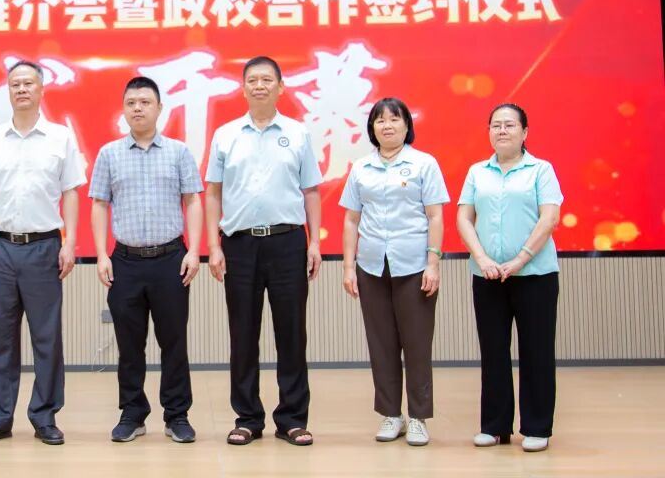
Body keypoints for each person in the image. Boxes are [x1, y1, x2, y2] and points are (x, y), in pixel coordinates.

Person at [205, 56, 322, 447]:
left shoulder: (298, 133)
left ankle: (292, 419)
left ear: (280, 87)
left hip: (287, 242)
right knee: (243, 333)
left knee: (292, 332)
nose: (259, 85)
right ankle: (247, 418)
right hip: (239, 244)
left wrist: (315, 242)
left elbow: (311, 191)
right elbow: (213, 193)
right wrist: (213, 246)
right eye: (252, 80)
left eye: (267, 79)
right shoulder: (225, 135)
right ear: (243, 88)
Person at [0, 60, 86, 446]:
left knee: (46, 337)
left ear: (41, 89)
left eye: (28, 83)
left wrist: (70, 242)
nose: (22, 89)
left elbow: (71, 191)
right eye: (15, 84)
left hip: (43, 246)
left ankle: (44, 416)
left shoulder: (60, 138)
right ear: (8, 91)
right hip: (1, 246)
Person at [90, 76, 203, 444]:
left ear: (159, 108)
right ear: (124, 109)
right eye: (131, 103)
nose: (137, 108)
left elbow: (193, 200)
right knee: (129, 344)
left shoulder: (179, 152)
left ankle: (177, 415)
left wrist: (194, 250)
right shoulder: (109, 154)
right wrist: (101, 255)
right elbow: (99, 204)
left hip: (171, 259)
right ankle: (132, 413)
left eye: (145, 102)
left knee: (174, 342)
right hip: (124, 261)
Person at [339, 97, 448, 447]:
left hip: (414, 265)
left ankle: (418, 417)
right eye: (380, 120)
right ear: (372, 128)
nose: (387, 126)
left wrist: (433, 262)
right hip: (372, 265)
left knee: (416, 344)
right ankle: (391, 414)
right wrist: (348, 267)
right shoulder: (361, 168)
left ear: (406, 125)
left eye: (394, 119)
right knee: (381, 343)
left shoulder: (424, 164)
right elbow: (351, 219)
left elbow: (435, 216)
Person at [456, 103, 562, 453]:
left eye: (509, 125)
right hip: (487, 275)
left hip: (535, 275)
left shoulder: (541, 170)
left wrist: (519, 260)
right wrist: (482, 258)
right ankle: (495, 426)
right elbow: (464, 218)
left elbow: (549, 218)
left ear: (524, 132)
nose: (502, 131)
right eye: (496, 125)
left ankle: (537, 427)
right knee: (493, 351)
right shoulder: (477, 172)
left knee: (537, 350)